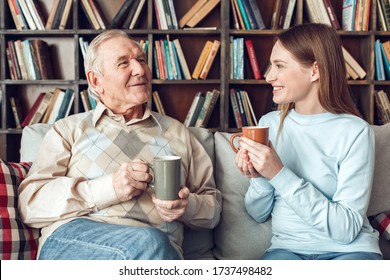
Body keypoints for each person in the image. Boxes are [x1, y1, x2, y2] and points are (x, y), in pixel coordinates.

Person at [18, 30, 221, 260]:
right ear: (96, 80)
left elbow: (213, 210)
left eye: (142, 60)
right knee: (149, 242)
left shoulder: (179, 134)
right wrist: (109, 188)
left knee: (151, 243)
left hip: (156, 250)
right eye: (124, 63)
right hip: (75, 240)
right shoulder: (69, 130)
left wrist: (187, 206)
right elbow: (31, 204)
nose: (140, 70)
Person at [234, 23, 383, 260]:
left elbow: (346, 229)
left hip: (350, 252)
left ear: (315, 71)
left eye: (279, 66)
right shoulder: (268, 124)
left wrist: (279, 173)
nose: (268, 77)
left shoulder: (355, 132)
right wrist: (260, 177)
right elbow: (258, 213)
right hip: (286, 251)